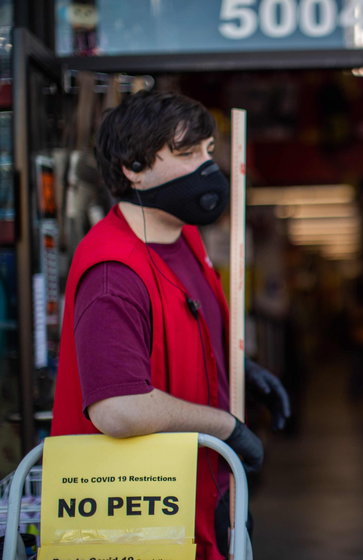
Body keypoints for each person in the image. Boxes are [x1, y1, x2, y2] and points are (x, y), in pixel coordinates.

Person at [51, 91, 290, 560]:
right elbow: (118, 408)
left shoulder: (185, 237)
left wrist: (237, 367)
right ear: (133, 168)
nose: (208, 168)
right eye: (186, 155)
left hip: (203, 497)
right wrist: (225, 428)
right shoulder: (113, 273)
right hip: (138, 521)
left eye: (207, 152)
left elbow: (182, 329)